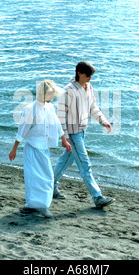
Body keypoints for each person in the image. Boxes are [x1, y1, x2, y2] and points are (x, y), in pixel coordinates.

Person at [54, 61, 115, 208]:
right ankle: (97, 197)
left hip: (81, 131)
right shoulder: (68, 91)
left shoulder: (88, 87)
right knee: (84, 164)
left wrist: (103, 121)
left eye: (91, 75)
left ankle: (50, 187)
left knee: (66, 161)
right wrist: (65, 137)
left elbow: (92, 107)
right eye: (88, 75)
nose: (90, 78)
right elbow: (61, 115)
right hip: (72, 133)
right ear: (79, 73)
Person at [9, 80, 72, 218]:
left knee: (47, 176)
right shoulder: (30, 109)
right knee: (34, 178)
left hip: (43, 148)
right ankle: (36, 205)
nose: (53, 98)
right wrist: (14, 149)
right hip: (33, 148)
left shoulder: (49, 107)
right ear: (45, 95)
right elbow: (22, 130)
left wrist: (64, 140)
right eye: (51, 95)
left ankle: (38, 205)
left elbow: (56, 124)